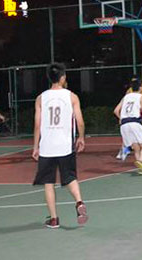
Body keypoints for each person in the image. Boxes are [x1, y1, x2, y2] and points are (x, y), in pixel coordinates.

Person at [32, 63, 88, 229]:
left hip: (47, 146)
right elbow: (80, 122)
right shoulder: (72, 97)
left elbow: (37, 125)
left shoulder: (41, 98)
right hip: (65, 145)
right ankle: (79, 202)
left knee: (48, 183)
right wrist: (81, 137)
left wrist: (35, 146)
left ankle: (54, 219)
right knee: (70, 177)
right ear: (63, 77)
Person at [113, 79, 142, 175]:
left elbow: (116, 111)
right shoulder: (141, 97)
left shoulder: (125, 97)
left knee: (136, 147)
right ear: (140, 88)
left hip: (124, 124)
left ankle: (141, 169)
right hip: (135, 122)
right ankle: (140, 161)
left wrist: (121, 118)